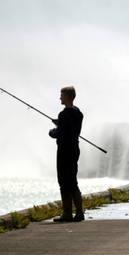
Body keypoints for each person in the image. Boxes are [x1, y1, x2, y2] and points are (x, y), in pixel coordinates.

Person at [49, 86, 84, 222]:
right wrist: (61, 124)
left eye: (61, 95)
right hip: (75, 148)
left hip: (64, 150)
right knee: (73, 180)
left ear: (67, 97)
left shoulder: (63, 115)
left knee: (63, 180)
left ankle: (67, 213)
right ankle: (79, 213)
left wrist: (52, 131)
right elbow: (71, 128)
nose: (60, 98)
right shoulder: (78, 113)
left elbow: (60, 134)